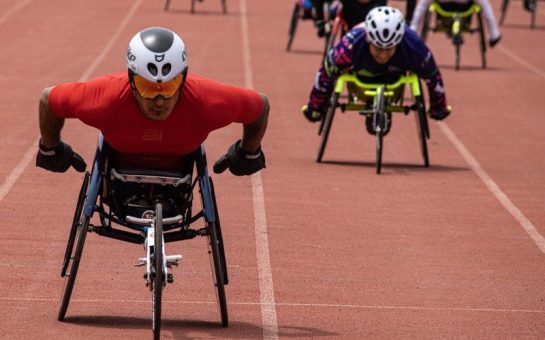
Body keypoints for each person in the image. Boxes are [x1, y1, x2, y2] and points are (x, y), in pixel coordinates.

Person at [36, 26, 268, 178]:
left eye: (169, 87)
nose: (159, 100)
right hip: (120, 164)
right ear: (132, 82)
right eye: (148, 88)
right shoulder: (104, 98)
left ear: (183, 78)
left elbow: (260, 106)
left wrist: (248, 154)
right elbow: (49, 99)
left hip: (180, 164)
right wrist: (51, 149)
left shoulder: (207, 100)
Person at [302, 6, 451, 133]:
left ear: (398, 43)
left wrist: (439, 108)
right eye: (378, 48)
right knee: (331, 69)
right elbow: (325, 72)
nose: (383, 55)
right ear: (368, 40)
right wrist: (315, 107)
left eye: (389, 49)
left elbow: (433, 77)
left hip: (395, 80)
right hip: (360, 80)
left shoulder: (414, 46)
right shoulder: (350, 44)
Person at [409, 0, 502, 47]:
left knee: (422, 5)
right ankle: (494, 33)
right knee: (484, 4)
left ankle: (413, 31)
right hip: (464, 7)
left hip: (444, 6)